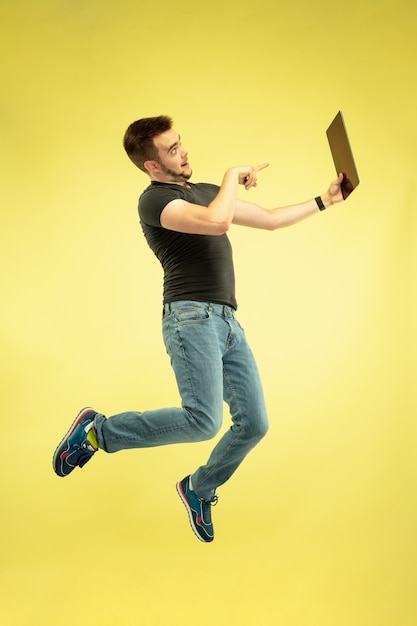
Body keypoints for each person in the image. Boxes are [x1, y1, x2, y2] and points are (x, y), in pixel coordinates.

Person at [53, 115, 346, 542]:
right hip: (190, 318)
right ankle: (99, 431)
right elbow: (216, 222)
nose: (184, 151)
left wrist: (325, 200)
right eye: (172, 150)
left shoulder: (207, 194)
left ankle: (199, 487)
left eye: (180, 143)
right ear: (152, 166)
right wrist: (231, 175)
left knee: (255, 424)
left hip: (227, 322)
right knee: (203, 421)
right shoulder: (153, 202)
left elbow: (268, 218)